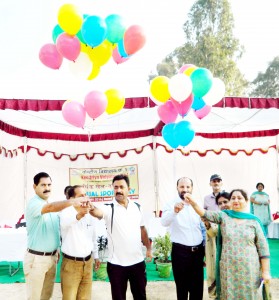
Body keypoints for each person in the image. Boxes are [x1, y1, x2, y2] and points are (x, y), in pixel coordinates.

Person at [184, 188, 271, 299]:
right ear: (230, 201)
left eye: (240, 198)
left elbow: (263, 248)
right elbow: (204, 213)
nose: (236, 200)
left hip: (249, 270)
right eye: (233, 198)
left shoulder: (254, 221)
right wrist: (193, 203)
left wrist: (266, 271)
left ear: (246, 201)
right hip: (228, 270)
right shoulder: (224, 216)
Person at [24, 172, 87, 300]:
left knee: (46, 296)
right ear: (34, 186)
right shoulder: (34, 203)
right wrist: (74, 201)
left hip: (51, 258)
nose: (47, 188)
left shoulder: (50, 203)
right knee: (34, 297)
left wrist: (57, 248)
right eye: (43, 185)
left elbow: (54, 229)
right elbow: (51, 207)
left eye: (49, 184)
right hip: (37, 259)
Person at [89, 174, 152, 300]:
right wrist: (90, 207)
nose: (118, 190)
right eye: (115, 187)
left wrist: (149, 249)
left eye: (121, 187)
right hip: (116, 265)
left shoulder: (137, 207)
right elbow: (97, 212)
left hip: (137, 263)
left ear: (129, 188)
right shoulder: (109, 208)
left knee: (140, 296)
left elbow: (142, 229)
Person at [161, 177, 206, 300]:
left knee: (197, 289)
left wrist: (205, 250)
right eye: (182, 187)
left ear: (192, 188)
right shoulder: (170, 204)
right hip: (180, 252)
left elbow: (202, 228)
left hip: (197, 253)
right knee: (182, 288)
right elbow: (164, 222)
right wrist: (174, 211)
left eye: (188, 187)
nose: (185, 189)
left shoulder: (197, 204)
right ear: (177, 188)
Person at [60, 185, 100, 300]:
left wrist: (96, 256)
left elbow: (93, 236)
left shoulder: (90, 214)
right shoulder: (66, 212)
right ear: (73, 199)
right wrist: (80, 214)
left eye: (85, 195)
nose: (85, 198)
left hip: (88, 264)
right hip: (71, 265)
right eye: (81, 196)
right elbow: (65, 223)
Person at [202, 192, 231, 299]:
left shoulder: (240, 219)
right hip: (217, 258)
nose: (223, 205)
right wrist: (207, 223)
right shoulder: (217, 219)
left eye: (225, 202)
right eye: (220, 203)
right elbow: (213, 232)